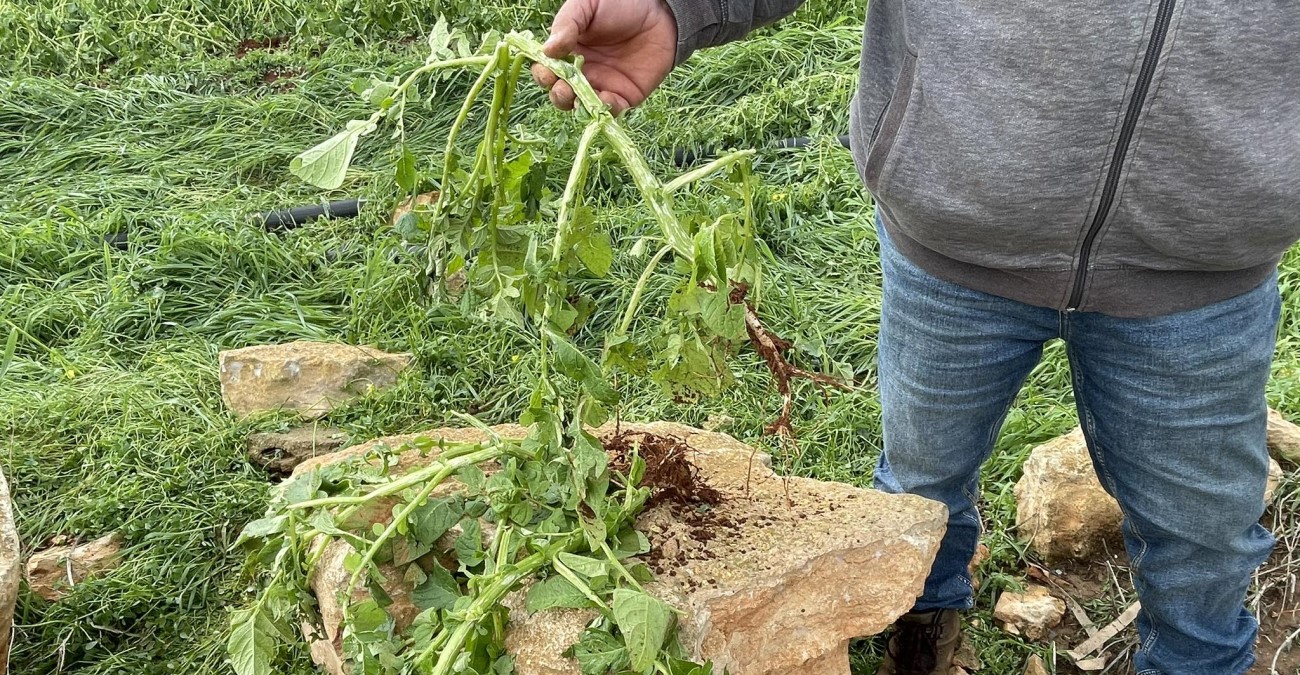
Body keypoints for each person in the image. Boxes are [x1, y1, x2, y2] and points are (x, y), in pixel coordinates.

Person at [531, 1, 1300, 673]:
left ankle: (1198, 661)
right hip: (953, 245)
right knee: (921, 479)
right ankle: (923, 619)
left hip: (1203, 272)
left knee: (1204, 533)